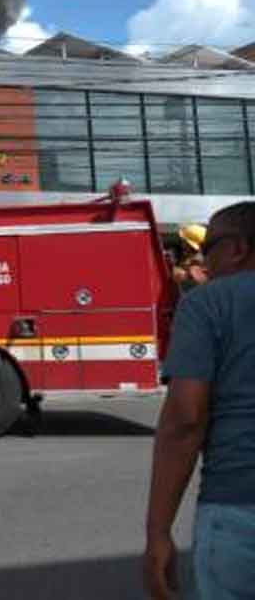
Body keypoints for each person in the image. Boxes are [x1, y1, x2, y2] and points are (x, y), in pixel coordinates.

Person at [143, 201, 255, 600]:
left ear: (238, 248)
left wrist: (158, 533)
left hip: (239, 509)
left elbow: (186, 420)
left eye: (210, 248)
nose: (205, 260)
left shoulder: (209, 303)